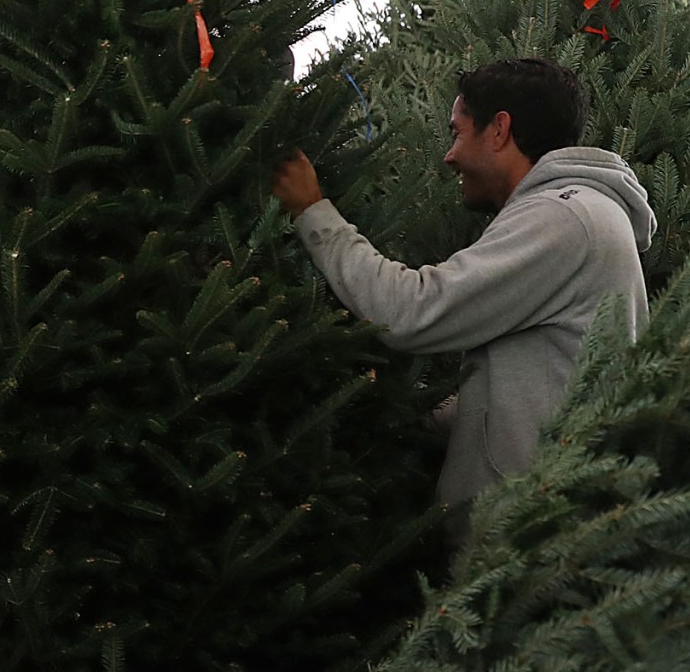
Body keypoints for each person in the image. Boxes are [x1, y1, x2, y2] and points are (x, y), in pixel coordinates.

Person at [271, 55, 656, 538]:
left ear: (498, 130)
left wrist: (312, 211)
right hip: (536, 528)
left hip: (526, 540)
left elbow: (413, 310)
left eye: (457, 132)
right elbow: (536, 382)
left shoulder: (562, 219)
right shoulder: (579, 212)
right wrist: (410, 415)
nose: (449, 156)